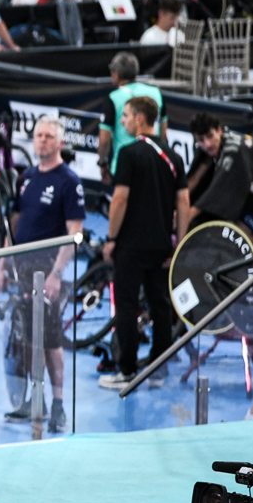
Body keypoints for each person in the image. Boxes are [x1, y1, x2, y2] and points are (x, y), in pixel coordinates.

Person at [1, 117, 82, 430]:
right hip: (22, 269)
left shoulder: (68, 181)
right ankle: (35, 400)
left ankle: (59, 406)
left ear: (60, 142)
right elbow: (15, 223)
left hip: (46, 272)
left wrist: (56, 274)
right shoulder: (27, 177)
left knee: (50, 339)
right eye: (38, 136)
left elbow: (75, 234)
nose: (43, 141)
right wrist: (2, 264)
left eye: (49, 136)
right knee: (27, 337)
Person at [101, 96, 185, 387]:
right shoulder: (173, 157)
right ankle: (158, 371)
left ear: (139, 118)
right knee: (160, 305)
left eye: (125, 116)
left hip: (130, 246)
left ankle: (126, 371)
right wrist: (179, 245)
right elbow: (183, 202)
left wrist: (111, 238)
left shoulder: (128, 153)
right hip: (162, 246)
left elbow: (120, 199)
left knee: (125, 306)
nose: (121, 121)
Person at [97, 50, 162, 180]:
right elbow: (164, 134)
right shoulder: (156, 93)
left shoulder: (113, 98)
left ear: (116, 74)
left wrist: (102, 163)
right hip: (154, 164)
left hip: (124, 167)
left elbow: (104, 140)